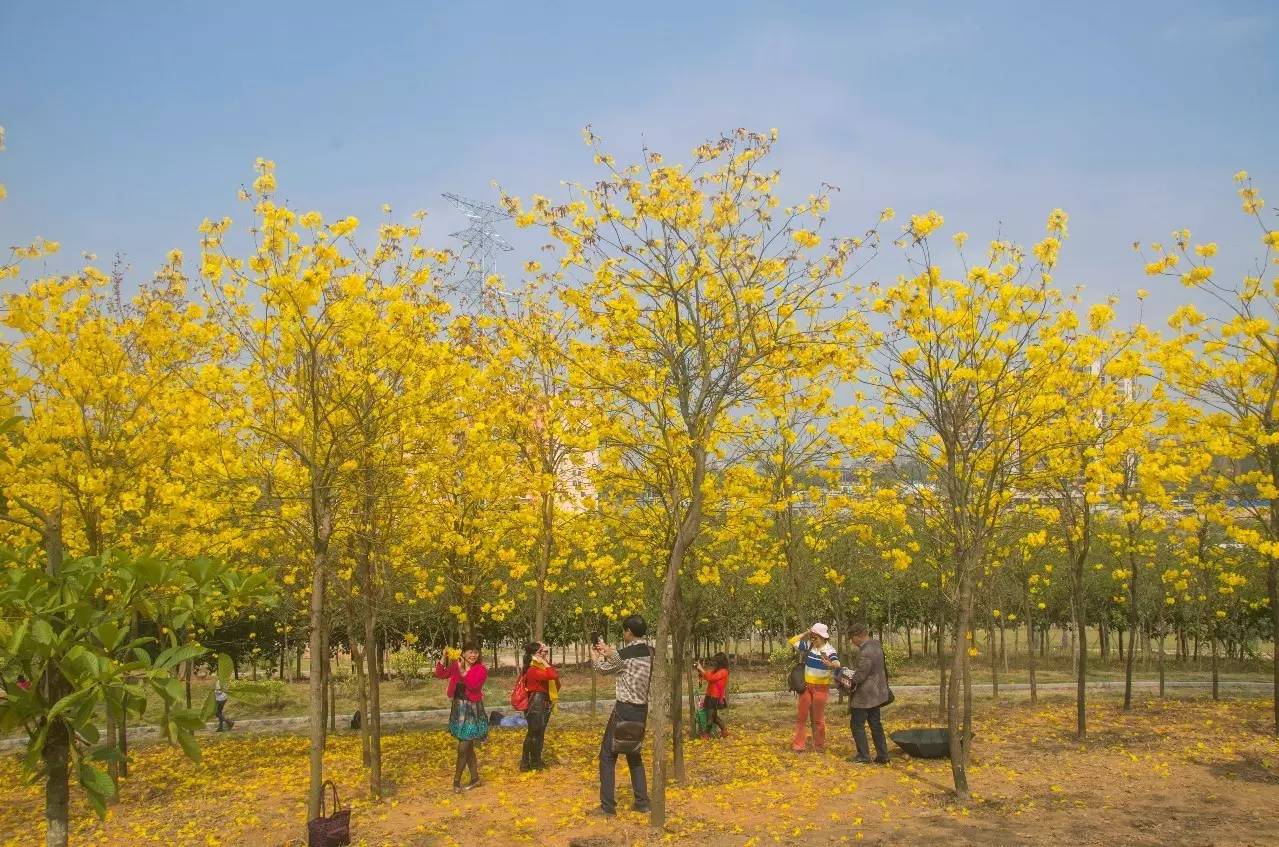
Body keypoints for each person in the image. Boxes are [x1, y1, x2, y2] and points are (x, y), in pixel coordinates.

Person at [591, 615, 653, 816]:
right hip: (641, 709)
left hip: (624, 708)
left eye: (624, 630)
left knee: (608, 756)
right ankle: (642, 802)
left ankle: (607, 807)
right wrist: (609, 652)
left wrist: (596, 656)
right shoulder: (651, 652)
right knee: (634, 754)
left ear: (628, 631)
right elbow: (619, 658)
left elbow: (603, 669)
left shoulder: (625, 655)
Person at [434, 642, 488, 793]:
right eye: (470, 652)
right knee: (468, 747)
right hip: (459, 709)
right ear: (463, 653)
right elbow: (440, 674)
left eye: (476, 652)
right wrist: (444, 657)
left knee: (463, 747)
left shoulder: (481, 669)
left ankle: (456, 782)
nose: (473, 655)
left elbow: (473, 686)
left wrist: (463, 671)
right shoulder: (456, 665)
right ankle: (475, 778)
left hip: (472, 711)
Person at [788, 622, 840, 753]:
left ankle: (819, 746)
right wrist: (806, 633)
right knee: (801, 717)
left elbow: (837, 663)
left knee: (818, 719)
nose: (812, 639)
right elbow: (792, 641)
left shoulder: (830, 650)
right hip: (806, 687)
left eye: (815, 637)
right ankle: (798, 745)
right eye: (811, 637)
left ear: (823, 637)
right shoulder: (809, 646)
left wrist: (831, 664)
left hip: (821, 688)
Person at [844, 622, 890, 765]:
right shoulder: (876, 644)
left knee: (856, 724)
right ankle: (883, 755)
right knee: (875, 724)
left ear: (859, 635)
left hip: (864, 697)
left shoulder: (865, 653)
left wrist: (844, 674)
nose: (851, 641)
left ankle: (863, 755)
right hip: (876, 694)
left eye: (852, 638)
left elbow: (859, 677)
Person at [519, 641, 560, 771]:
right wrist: (544, 662)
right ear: (534, 655)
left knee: (537, 733)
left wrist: (544, 662)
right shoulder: (534, 669)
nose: (545, 654)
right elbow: (553, 675)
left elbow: (555, 679)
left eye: (546, 652)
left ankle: (529, 762)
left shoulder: (539, 667)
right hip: (536, 703)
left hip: (543, 702)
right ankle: (533, 763)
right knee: (534, 734)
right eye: (542, 652)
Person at [695, 652, 729, 739]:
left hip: (716, 697)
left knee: (710, 717)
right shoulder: (716, 670)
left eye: (716, 662)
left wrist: (702, 669)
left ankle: (706, 734)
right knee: (713, 717)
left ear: (720, 662)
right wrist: (700, 671)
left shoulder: (724, 672)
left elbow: (711, 678)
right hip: (710, 695)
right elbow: (708, 676)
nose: (714, 663)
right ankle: (724, 731)